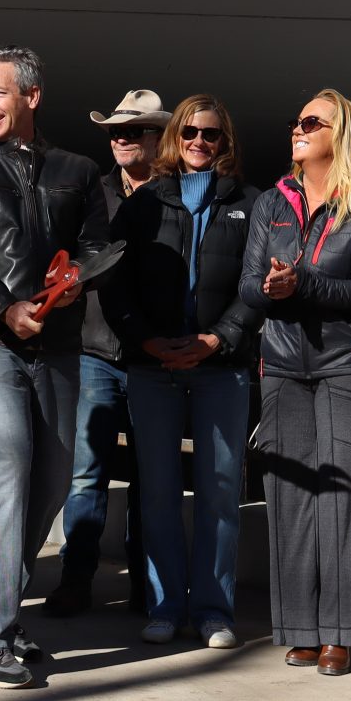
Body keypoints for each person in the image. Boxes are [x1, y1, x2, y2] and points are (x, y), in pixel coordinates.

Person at [0, 45, 111, 689]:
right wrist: (5, 309)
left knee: (54, 479)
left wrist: (70, 286)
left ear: (32, 97)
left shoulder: (79, 169)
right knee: (6, 468)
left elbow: (94, 248)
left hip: (59, 344)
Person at [240, 88, 351, 678]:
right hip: (281, 362)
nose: (299, 129)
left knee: (346, 495)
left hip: (346, 363)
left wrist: (300, 283)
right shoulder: (270, 203)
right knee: (291, 498)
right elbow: (249, 284)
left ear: (342, 134)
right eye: (296, 120)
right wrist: (273, 287)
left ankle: (343, 632)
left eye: (313, 121)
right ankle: (301, 629)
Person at [105, 94, 261, 649]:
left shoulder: (252, 203)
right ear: (174, 138)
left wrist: (219, 339)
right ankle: (166, 605)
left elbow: (257, 283)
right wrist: (146, 340)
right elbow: (114, 284)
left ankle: (215, 611)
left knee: (220, 492)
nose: (199, 142)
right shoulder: (144, 202)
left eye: (211, 134)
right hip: (153, 367)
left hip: (221, 367)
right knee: (159, 492)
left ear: (226, 142)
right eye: (190, 132)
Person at [46, 89, 163, 617]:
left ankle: (146, 584)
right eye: (114, 130)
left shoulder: (183, 197)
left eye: (133, 130)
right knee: (86, 472)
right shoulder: (91, 189)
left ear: (159, 137)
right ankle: (76, 579)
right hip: (94, 349)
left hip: (153, 355)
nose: (120, 138)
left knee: (150, 476)